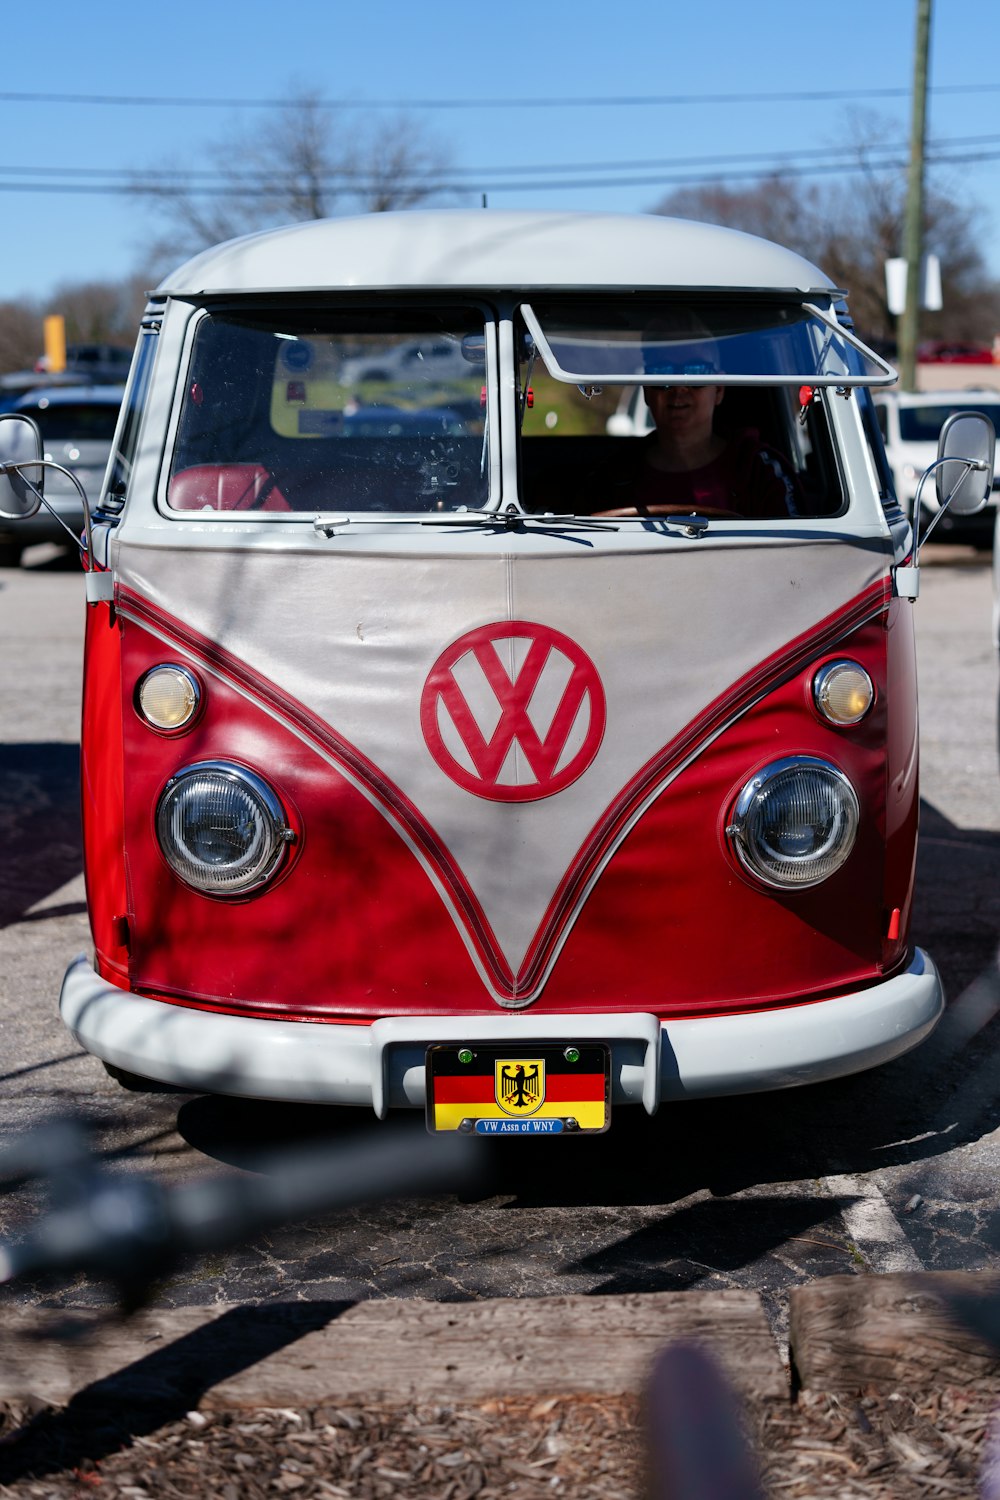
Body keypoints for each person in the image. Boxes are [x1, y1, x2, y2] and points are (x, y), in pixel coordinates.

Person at [596, 380, 799, 520]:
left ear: (719, 389)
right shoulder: (612, 478)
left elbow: (798, 560)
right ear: (646, 391)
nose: (679, 389)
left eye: (696, 372)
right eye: (663, 376)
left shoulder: (760, 472)